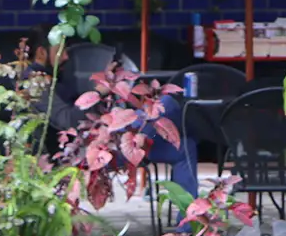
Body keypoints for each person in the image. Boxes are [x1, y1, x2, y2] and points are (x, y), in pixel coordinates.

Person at [47, 52, 200, 198]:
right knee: (167, 104)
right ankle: (151, 126)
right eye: (60, 51)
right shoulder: (40, 85)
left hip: (117, 137)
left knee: (186, 147)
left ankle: (189, 224)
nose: (66, 56)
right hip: (95, 149)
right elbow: (68, 120)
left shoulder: (59, 78)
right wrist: (100, 92)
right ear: (41, 52)